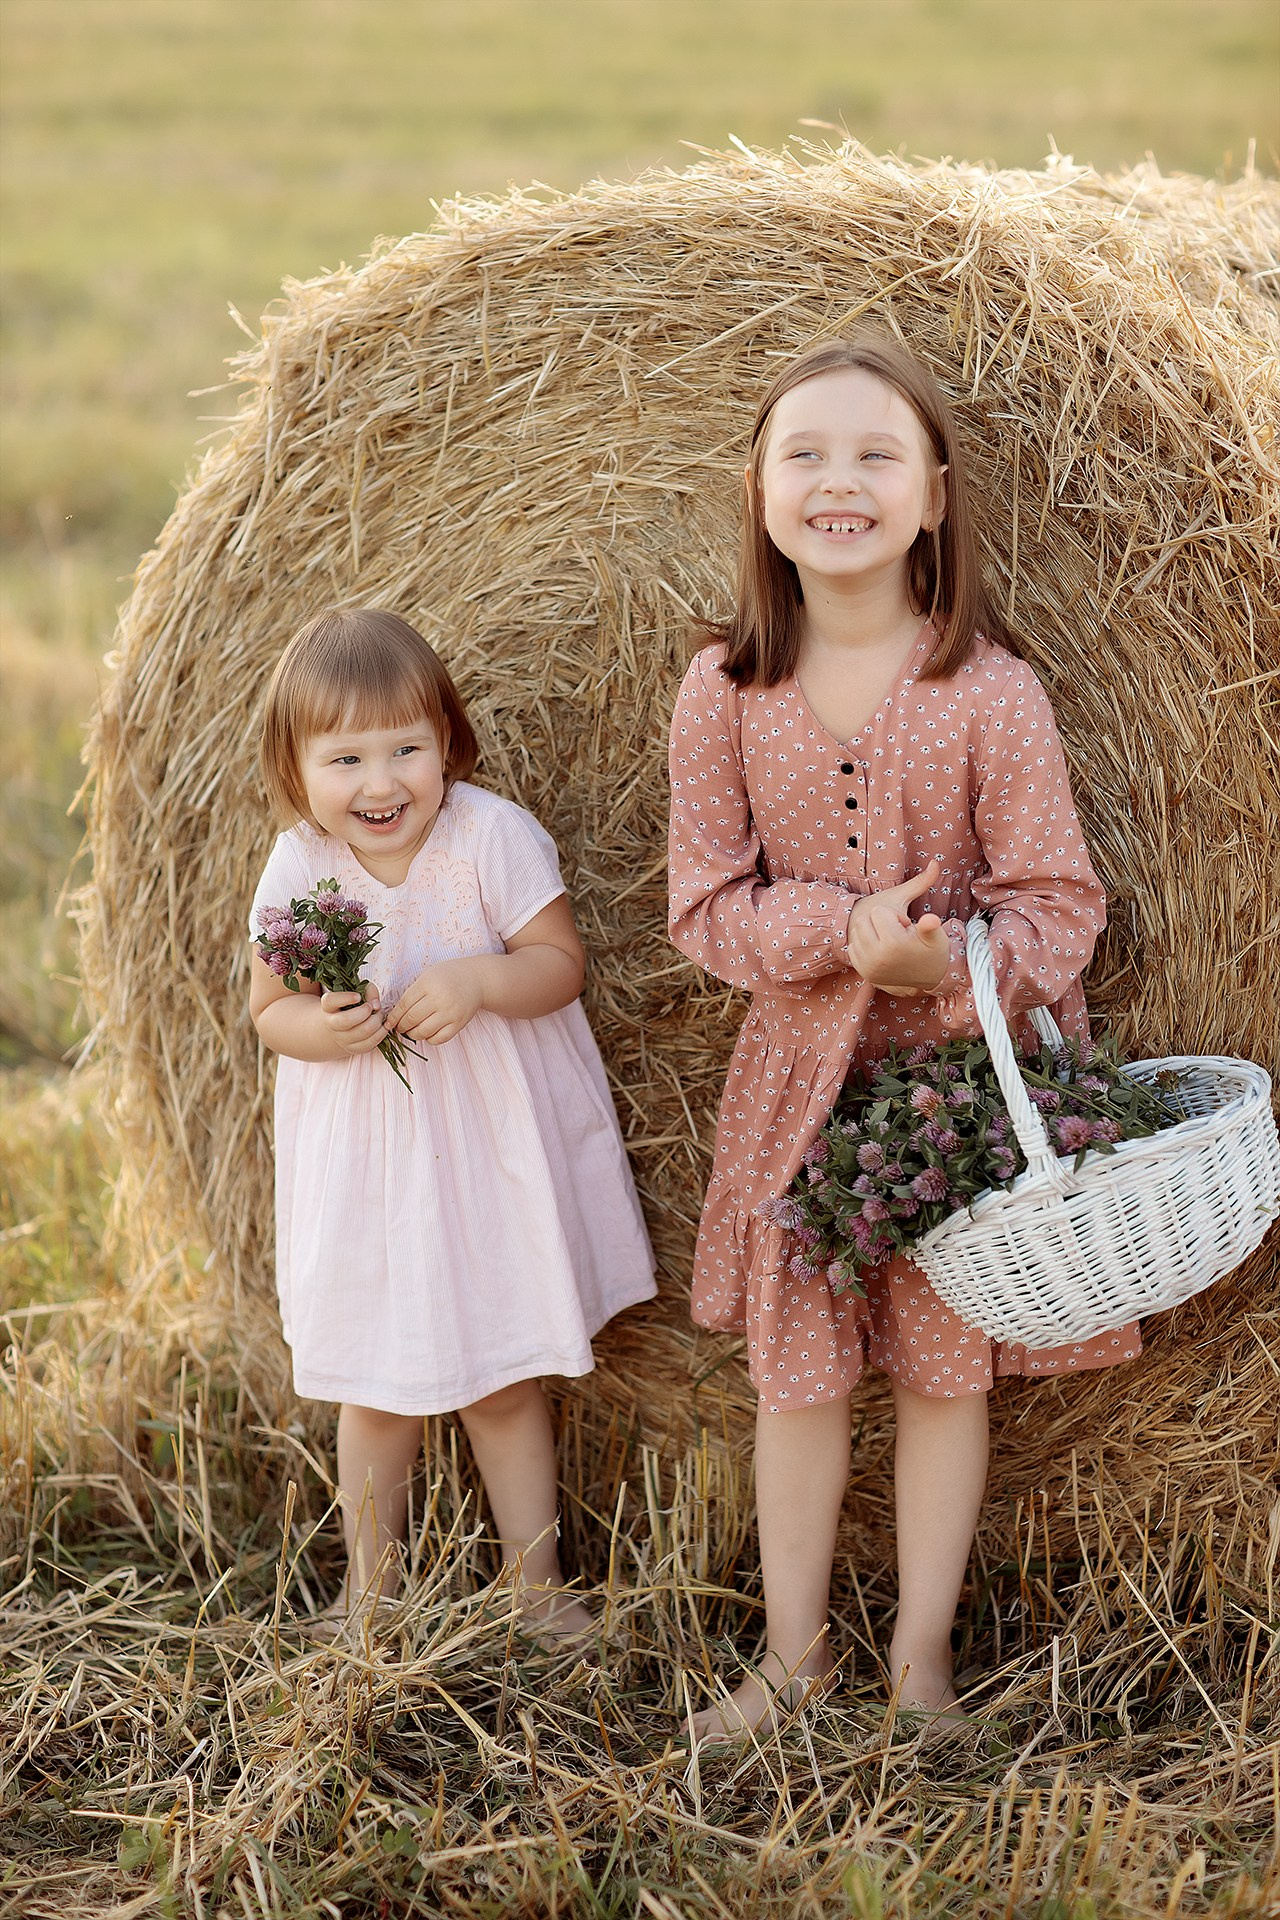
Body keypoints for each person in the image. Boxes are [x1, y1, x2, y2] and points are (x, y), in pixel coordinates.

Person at [667, 333, 1138, 1740]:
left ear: (932, 496)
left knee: (945, 1373)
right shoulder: (723, 690)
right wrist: (840, 931)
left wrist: (950, 967)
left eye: (875, 455)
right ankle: (791, 1659)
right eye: (804, 455)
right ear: (757, 491)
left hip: (956, 1096)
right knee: (797, 1378)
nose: (839, 482)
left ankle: (918, 1664)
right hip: (802, 1095)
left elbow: (1061, 900)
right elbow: (703, 906)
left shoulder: (988, 691)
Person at [250, 606, 655, 1637]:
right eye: (345, 759)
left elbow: (558, 967)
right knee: (375, 1393)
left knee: (503, 1381)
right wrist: (321, 1027)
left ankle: (537, 1590)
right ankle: (369, 1597)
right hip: (366, 1168)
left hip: (484, 1157)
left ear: (447, 743)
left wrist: (478, 980)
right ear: (297, 771)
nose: (379, 782)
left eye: (405, 749)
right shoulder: (298, 866)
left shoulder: (489, 836)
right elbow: (268, 1011)